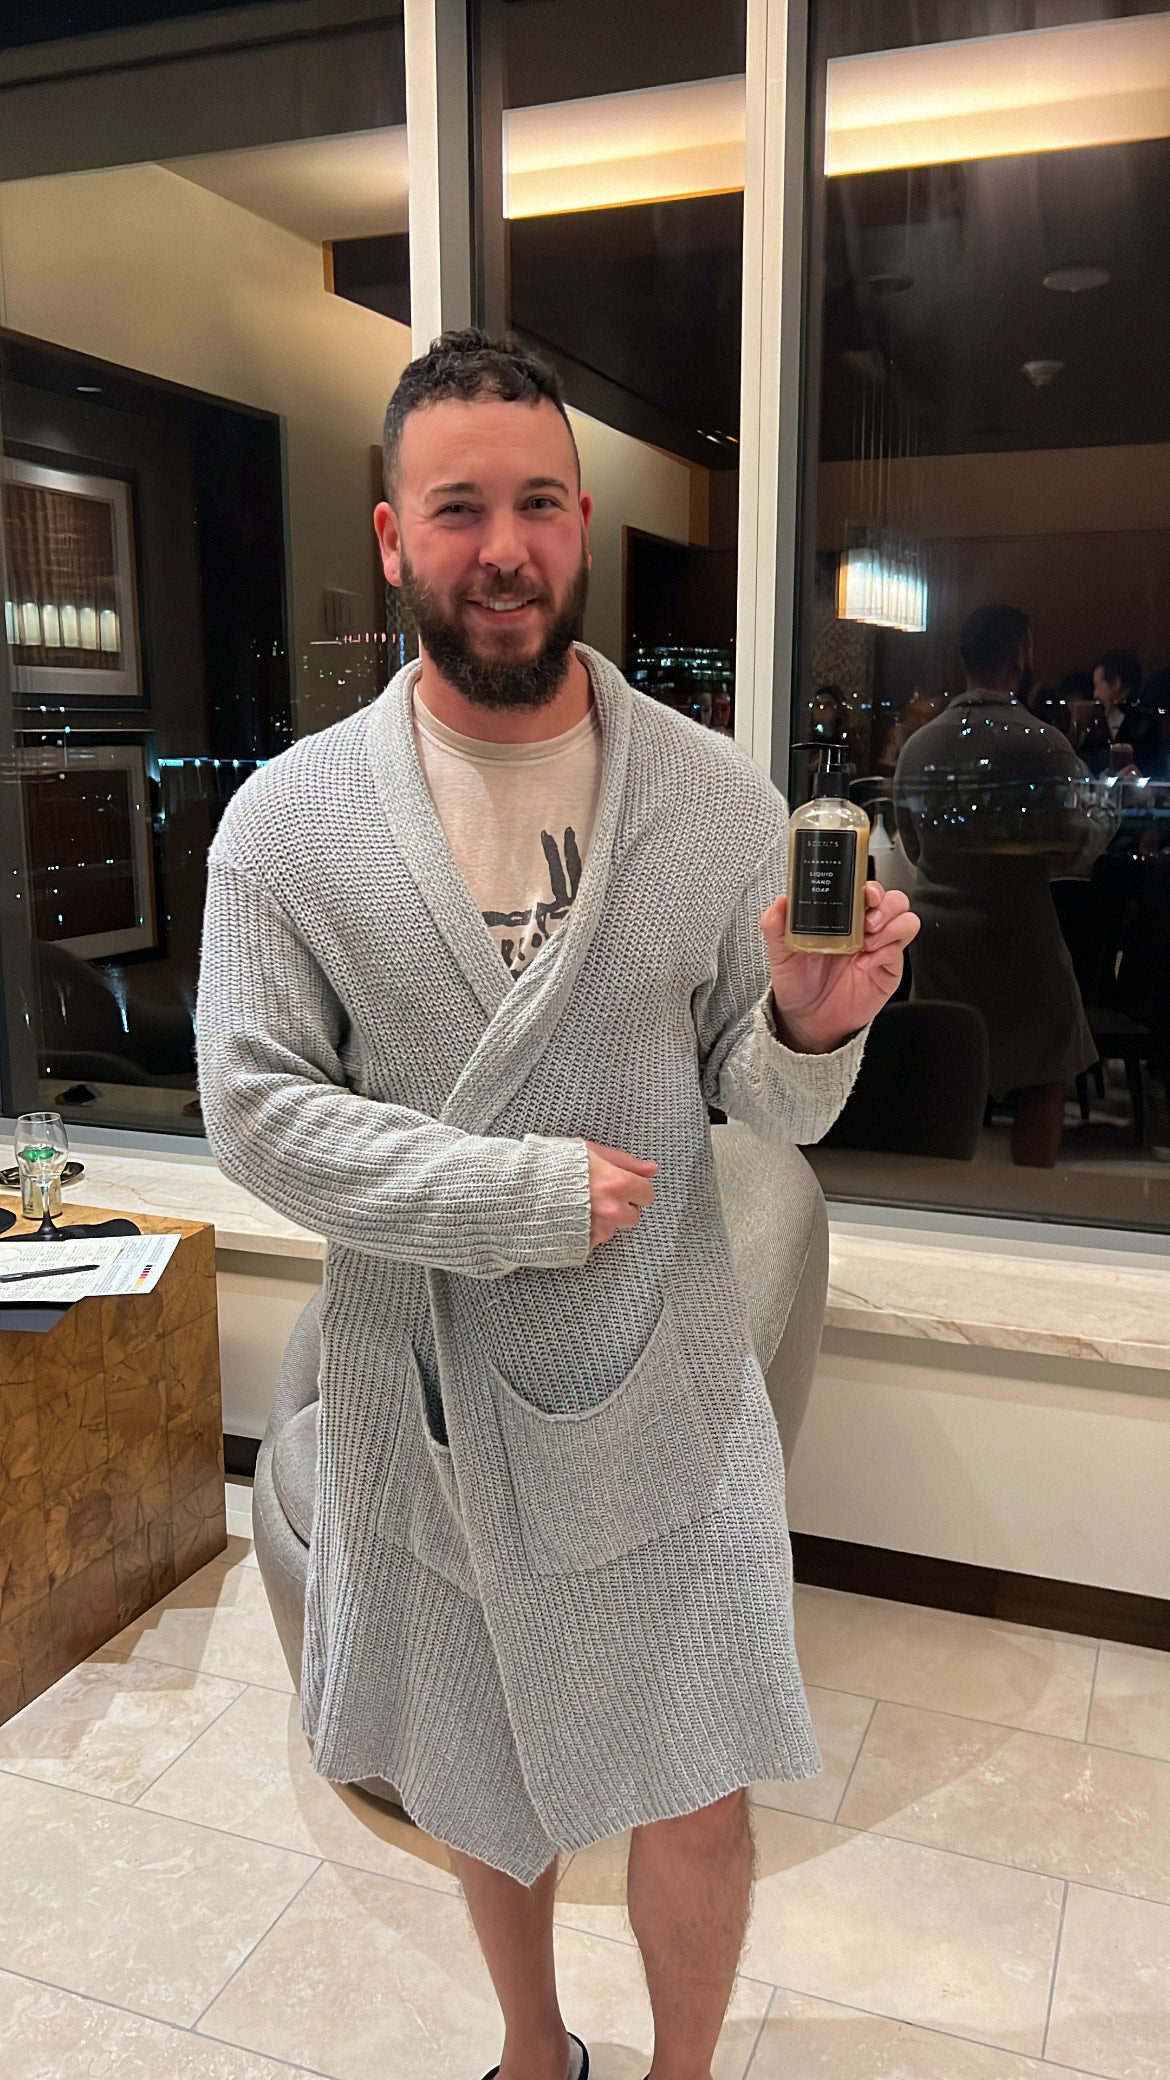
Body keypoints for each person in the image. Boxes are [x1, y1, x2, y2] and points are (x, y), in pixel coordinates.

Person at [196, 329, 917, 2080]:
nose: (502, 547)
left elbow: (763, 1103)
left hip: (659, 1376)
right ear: (394, 537)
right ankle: (536, 2052)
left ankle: (678, 2073)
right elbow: (254, 1113)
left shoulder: (710, 799)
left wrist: (811, 1026)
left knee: (698, 1780)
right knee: (474, 1762)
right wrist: (519, 1193)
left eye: (536, 503)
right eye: (459, 509)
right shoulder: (288, 828)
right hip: (422, 1389)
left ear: (582, 523)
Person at [895, 603, 1111, 1168]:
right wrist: (1107, 816)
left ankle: (943, 1189)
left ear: (962, 658)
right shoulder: (1042, 744)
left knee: (948, 1062)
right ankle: (1029, 1189)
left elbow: (913, 846)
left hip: (937, 934)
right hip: (1018, 929)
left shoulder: (919, 747)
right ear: (1021, 655)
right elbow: (1075, 846)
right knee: (1047, 1068)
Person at [1079, 650, 1159, 776]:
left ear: (1117, 683)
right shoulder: (1093, 725)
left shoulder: (1145, 726)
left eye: (1098, 686)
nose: (1095, 695)